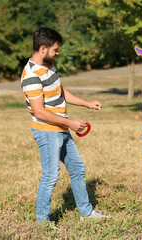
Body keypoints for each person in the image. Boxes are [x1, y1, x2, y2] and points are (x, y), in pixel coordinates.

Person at [21, 28, 108, 224]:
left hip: (61, 129)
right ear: (43, 48)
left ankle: (86, 214)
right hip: (47, 132)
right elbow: (39, 111)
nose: (57, 53)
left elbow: (59, 91)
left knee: (77, 168)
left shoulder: (48, 65)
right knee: (51, 176)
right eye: (55, 49)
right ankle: (42, 222)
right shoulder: (31, 75)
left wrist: (86, 103)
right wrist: (71, 123)